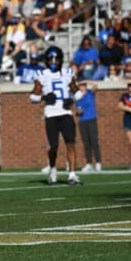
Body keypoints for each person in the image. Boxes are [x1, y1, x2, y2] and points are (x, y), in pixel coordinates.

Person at [29, 46, 82, 185]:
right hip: (51, 114)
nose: (53, 61)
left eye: (56, 58)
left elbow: (78, 92)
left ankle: (72, 174)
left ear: (61, 60)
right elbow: (32, 97)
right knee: (53, 146)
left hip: (65, 113)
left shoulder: (68, 73)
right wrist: (44, 98)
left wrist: (72, 99)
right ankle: (52, 169)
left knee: (70, 144)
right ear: (46, 60)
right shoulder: (42, 74)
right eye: (51, 59)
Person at [75, 81, 102, 172]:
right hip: (82, 121)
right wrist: (78, 112)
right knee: (86, 143)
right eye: (80, 86)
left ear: (85, 86)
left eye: (83, 86)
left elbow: (95, 85)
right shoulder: (78, 97)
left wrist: (85, 80)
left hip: (91, 120)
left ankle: (98, 162)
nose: (81, 87)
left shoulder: (90, 93)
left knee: (94, 141)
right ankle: (89, 163)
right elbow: (78, 110)